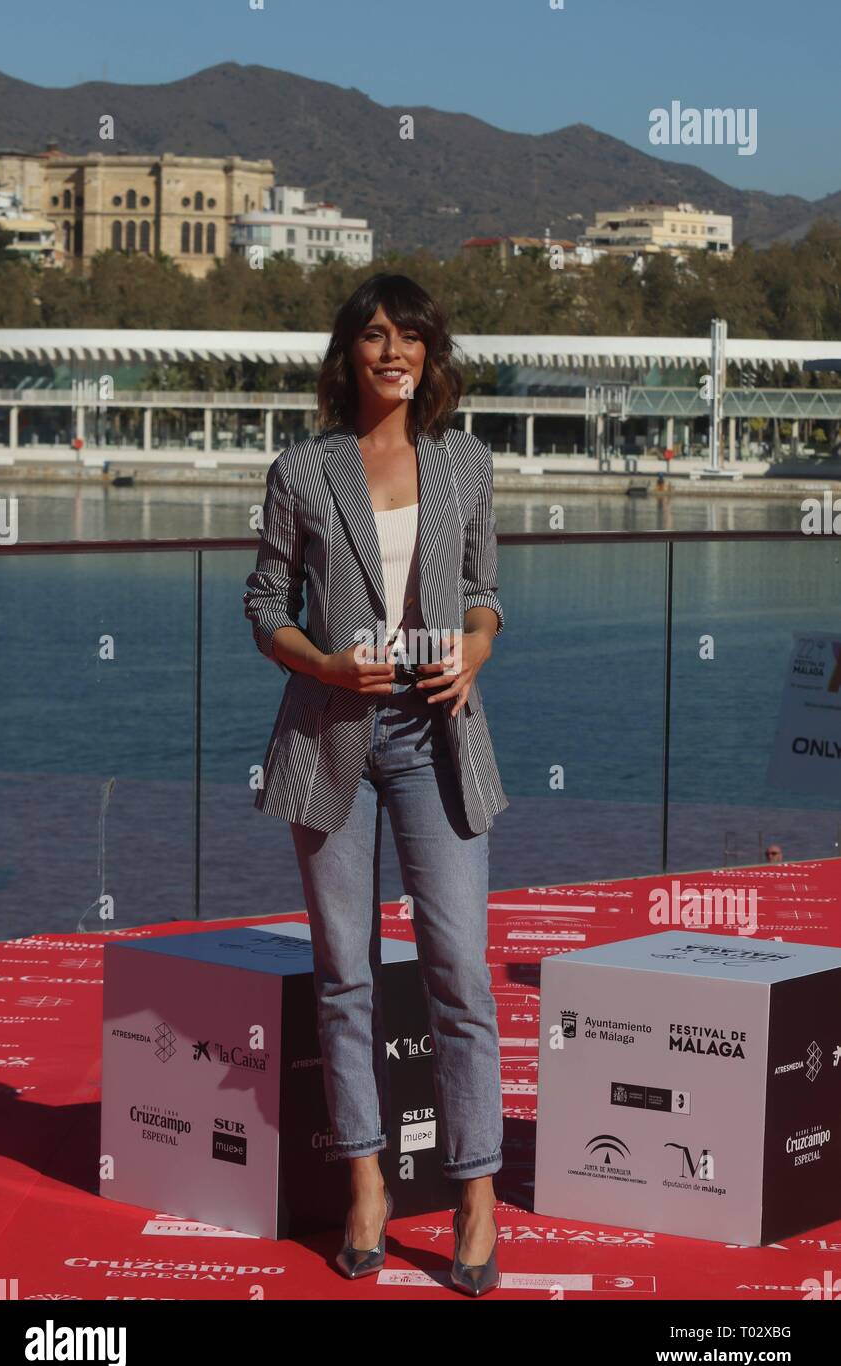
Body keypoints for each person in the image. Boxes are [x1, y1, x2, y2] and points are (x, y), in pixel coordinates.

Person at [243, 272, 508, 1296]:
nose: (391, 351)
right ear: (347, 354)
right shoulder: (303, 469)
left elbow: (484, 595)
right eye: (372, 335)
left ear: (430, 355)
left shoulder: (465, 465)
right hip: (331, 736)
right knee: (344, 975)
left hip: (441, 737)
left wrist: (472, 653)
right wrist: (322, 665)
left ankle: (475, 1193)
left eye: (409, 336)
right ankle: (367, 1185)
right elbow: (266, 604)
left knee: (460, 975)